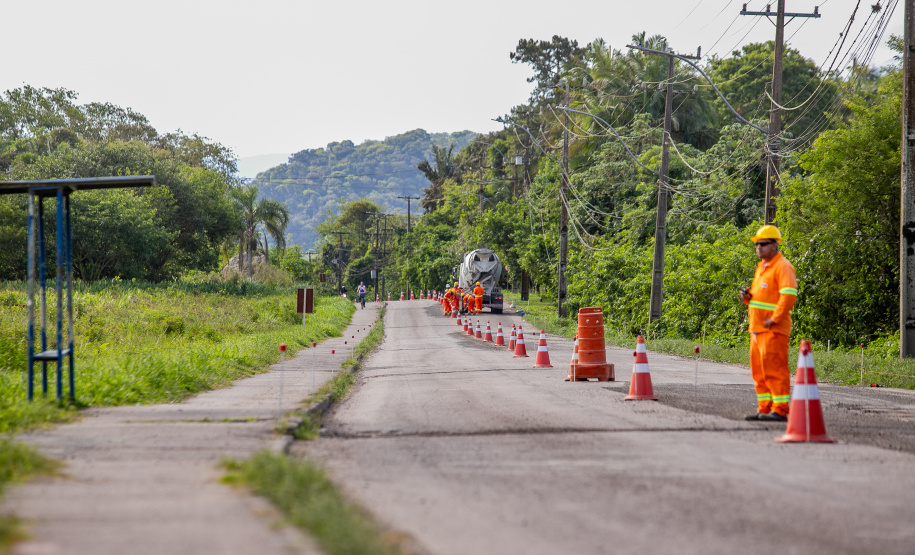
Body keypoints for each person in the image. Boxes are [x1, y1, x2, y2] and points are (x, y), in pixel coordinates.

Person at [738, 225, 797, 422]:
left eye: (763, 244)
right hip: (757, 329)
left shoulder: (783, 266)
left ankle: (780, 410)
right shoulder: (762, 268)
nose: (759, 247)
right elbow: (761, 298)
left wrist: (775, 318)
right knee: (759, 372)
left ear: (774, 245)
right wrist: (747, 297)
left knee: (774, 370)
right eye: (757, 244)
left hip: (772, 329)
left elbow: (788, 295)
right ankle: (765, 408)